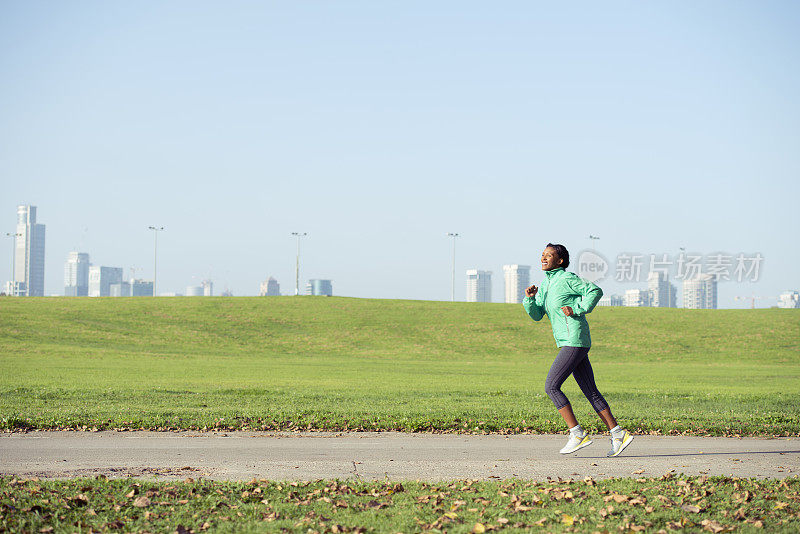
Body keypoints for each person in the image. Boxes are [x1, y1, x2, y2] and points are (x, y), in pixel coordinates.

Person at [523, 243, 633, 457]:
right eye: (542, 255)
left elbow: (594, 290)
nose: (543, 258)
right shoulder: (545, 285)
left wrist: (578, 308)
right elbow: (537, 315)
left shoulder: (567, 279)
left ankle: (577, 434)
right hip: (569, 341)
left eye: (549, 255)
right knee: (590, 391)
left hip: (575, 338)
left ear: (560, 261)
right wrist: (529, 299)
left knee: (552, 386)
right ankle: (618, 434)